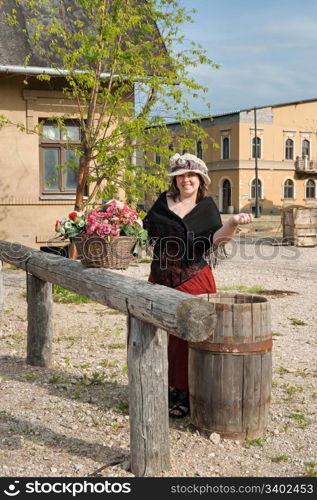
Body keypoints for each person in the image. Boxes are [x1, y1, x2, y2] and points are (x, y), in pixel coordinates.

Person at [143, 152, 253, 417]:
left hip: (192, 279)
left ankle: (186, 393)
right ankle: (163, 385)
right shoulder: (162, 202)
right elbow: (145, 230)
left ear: (201, 179)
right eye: (180, 176)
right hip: (159, 278)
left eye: (191, 175)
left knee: (185, 338)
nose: (185, 180)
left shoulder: (206, 207)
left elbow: (216, 242)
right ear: (175, 180)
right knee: (155, 336)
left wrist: (232, 223)